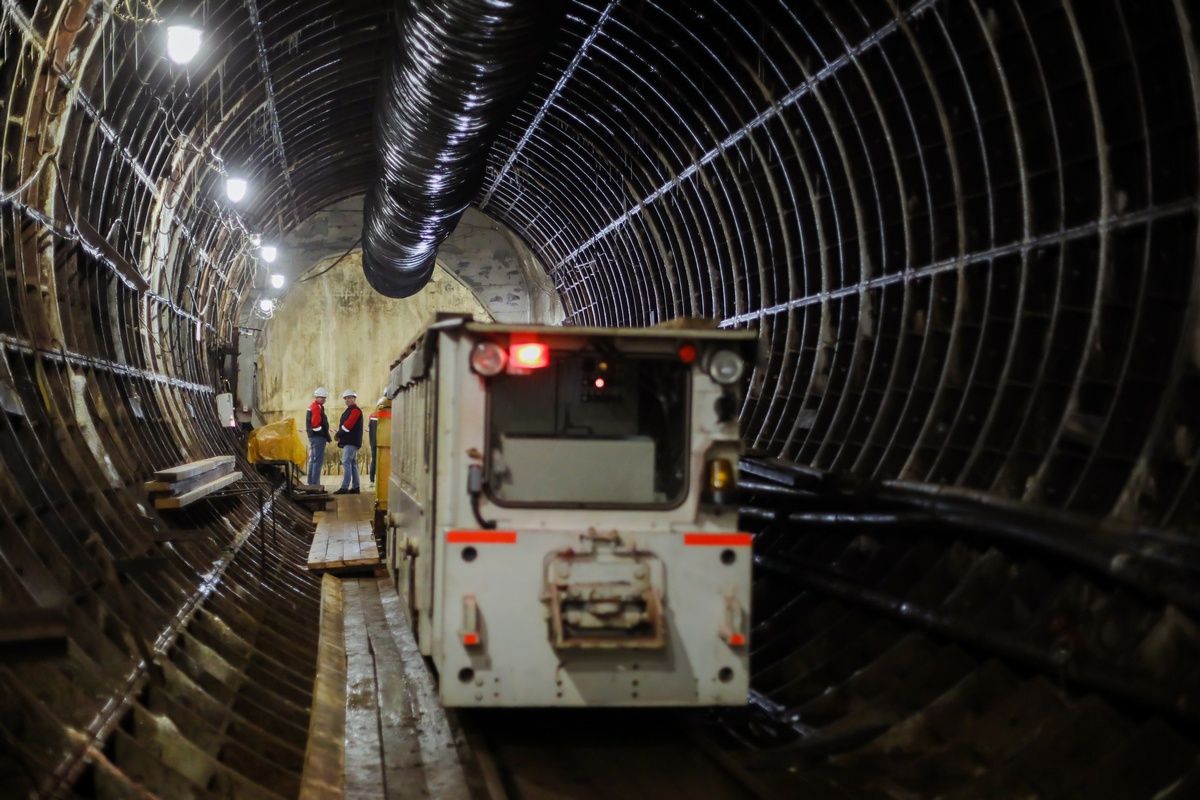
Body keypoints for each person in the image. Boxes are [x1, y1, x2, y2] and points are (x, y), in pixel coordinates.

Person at [334, 389, 364, 494]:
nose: (347, 400)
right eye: (346, 398)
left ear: (354, 399)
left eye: (350, 398)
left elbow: (348, 425)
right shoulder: (351, 410)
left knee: (346, 462)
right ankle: (356, 486)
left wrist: (338, 435)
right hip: (352, 441)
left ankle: (344, 487)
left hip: (351, 441)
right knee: (352, 463)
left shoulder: (355, 411)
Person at [305, 387, 331, 487]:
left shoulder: (315, 406)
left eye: (324, 397)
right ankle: (315, 484)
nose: (323, 399)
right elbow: (315, 425)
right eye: (321, 397)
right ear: (316, 397)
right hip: (317, 437)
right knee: (317, 461)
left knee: (313, 460)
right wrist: (323, 434)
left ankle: (311, 482)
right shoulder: (316, 407)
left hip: (313, 437)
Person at [368, 397, 385, 486]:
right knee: (381, 461)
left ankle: (372, 481)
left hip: (373, 442)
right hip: (382, 442)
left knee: (374, 461)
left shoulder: (372, 415)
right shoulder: (383, 414)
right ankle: (379, 480)